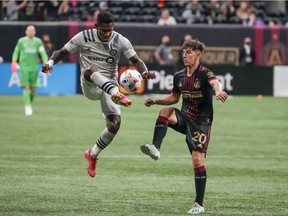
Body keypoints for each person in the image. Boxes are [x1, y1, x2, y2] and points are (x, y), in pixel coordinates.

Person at [41, 10, 155, 178]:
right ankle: (116, 93)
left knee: (114, 125)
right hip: (90, 85)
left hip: (110, 84)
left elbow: (136, 60)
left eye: (110, 29)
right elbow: (62, 51)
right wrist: (50, 63)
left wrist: (144, 72)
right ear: (96, 27)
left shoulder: (120, 40)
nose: (107, 33)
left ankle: (92, 154)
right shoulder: (83, 36)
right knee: (90, 70)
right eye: (103, 30)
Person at [140, 39, 228, 214]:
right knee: (166, 111)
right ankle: (155, 148)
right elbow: (174, 98)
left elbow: (215, 83)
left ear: (198, 55)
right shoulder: (179, 75)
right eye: (183, 52)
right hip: (185, 117)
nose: (185, 55)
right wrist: (155, 101)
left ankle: (198, 204)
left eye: (188, 52)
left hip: (201, 123)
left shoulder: (205, 74)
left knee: (197, 160)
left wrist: (218, 92)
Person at [11, 25, 48, 116]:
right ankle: (27, 107)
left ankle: (29, 103)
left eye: (32, 30)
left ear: (35, 32)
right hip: (24, 67)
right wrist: (14, 62)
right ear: (26, 32)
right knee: (26, 87)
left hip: (34, 68)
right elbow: (16, 52)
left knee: (33, 89)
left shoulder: (38, 42)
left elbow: (42, 53)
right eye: (29, 30)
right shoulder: (21, 41)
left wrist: (46, 63)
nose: (31, 32)